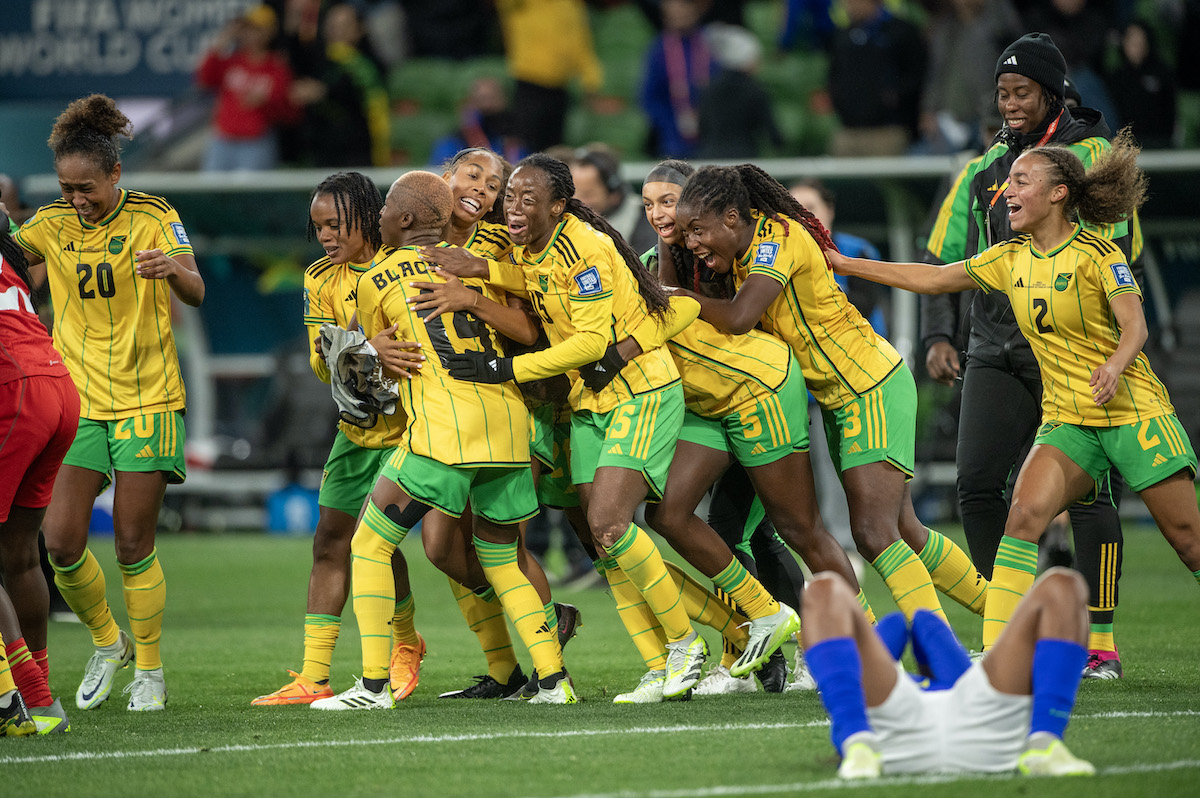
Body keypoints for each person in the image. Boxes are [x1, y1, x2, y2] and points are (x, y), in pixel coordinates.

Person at [424, 153, 807, 699]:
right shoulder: (535, 247)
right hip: (587, 401)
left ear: (558, 205)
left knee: (611, 524)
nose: (511, 206)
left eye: (525, 198)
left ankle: (694, 644)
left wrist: (503, 367)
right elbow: (538, 282)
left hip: (641, 393)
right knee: (607, 542)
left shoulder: (588, 247)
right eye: (510, 197)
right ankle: (696, 645)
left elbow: (587, 343)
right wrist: (484, 271)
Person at [828, 132, 1200, 650]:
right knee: (1021, 520)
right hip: (1069, 421)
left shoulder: (1097, 254)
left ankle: (1097, 644)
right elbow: (934, 279)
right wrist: (845, 264)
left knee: (1188, 543)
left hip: (1132, 413)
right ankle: (998, 655)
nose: (1006, 193)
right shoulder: (1009, 256)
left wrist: (1116, 364)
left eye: (1021, 181)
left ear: (1058, 194)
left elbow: (1135, 326)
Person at [673, 164, 987, 624]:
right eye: (686, 234)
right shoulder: (742, 255)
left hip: (867, 386)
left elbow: (739, 317)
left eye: (698, 230)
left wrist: (672, 297)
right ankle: (1008, 617)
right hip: (842, 397)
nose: (693, 244)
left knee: (874, 533)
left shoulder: (776, 238)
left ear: (733, 218)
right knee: (904, 530)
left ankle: (938, 650)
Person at [312, 170, 575, 708]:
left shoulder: (374, 278)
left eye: (386, 207)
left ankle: (371, 686)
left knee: (367, 544)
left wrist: (368, 354)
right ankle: (553, 681)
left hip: (442, 430)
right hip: (506, 426)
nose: (379, 215)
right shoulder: (466, 269)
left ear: (403, 219)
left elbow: (379, 366)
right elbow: (527, 332)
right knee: (500, 556)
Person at [921, 33, 1134, 672]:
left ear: (1051, 91)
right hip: (995, 347)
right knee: (978, 485)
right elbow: (943, 255)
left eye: (1021, 92)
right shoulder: (985, 168)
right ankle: (1009, 626)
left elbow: (1120, 253)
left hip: (1069, 350)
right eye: (1002, 94)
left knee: (1090, 492)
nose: (1010, 104)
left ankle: (1099, 644)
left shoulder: (1094, 158)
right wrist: (937, 334)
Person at [13, 94, 205, 711]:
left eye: (87, 187)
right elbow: (13, 266)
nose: (77, 199)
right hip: (79, 401)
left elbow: (197, 291)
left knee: (130, 542)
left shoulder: (154, 217)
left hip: (149, 398)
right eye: (67, 187)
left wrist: (171, 268)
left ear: (115, 175)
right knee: (61, 543)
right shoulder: (48, 224)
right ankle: (107, 639)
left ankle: (149, 671)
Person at [251, 172, 427, 707]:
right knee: (330, 541)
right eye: (318, 227)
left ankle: (405, 645)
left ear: (369, 216)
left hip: (413, 426)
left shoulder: (402, 267)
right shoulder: (319, 279)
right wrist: (362, 347)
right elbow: (318, 363)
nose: (326, 236)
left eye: (336, 224)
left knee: (380, 541)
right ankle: (313, 676)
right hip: (357, 429)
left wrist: (360, 349)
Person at [802, 568, 1095, 779]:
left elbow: (903, 628)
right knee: (823, 588)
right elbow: (926, 626)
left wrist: (891, 644)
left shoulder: (901, 682)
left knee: (1063, 583)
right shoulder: (950, 679)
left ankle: (1045, 744)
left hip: (924, 724)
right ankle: (858, 741)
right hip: (961, 727)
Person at [0, 209, 75, 735]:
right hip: (57, 387)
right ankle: (43, 704)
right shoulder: (10, 262)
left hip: (15, 391)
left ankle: (13, 701)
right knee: (20, 555)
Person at [287, 3, 392, 168]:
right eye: (332, 26)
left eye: (344, 26)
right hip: (317, 149)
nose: (337, 32)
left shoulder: (366, 65)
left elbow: (364, 99)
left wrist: (324, 91)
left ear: (359, 29)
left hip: (355, 152)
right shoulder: (315, 57)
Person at [196, 4, 298, 171]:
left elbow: (287, 111)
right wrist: (223, 41)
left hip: (256, 141)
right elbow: (204, 79)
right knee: (211, 193)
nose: (252, 34)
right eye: (248, 29)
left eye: (258, 29)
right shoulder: (231, 61)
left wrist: (265, 101)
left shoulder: (277, 67)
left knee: (250, 195)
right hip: (223, 138)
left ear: (270, 32)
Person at [495, 0, 604, 153]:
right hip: (529, 83)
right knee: (525, 146)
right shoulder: (523, 4)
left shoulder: (571, 5)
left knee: (553, 150)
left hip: (560, 86)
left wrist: (590, 79)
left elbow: (581, 43)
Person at [825, 0, 925, 156]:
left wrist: (894, 98)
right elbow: (834, 75)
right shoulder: (843, 35)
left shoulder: (902, 31)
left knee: (887, 180)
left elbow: (917, 75)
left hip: (888, 131)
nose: (847, 6)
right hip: (849, 131)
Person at [640, 0, 716, 159]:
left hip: (711, 136)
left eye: (685, 11)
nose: (680, 17)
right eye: (674, 13)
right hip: (671, 140)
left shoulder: (709, 44)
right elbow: (649, 97)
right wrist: (668, 124)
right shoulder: (659, 50)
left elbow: (721, 87)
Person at [569, 145, 657, 254]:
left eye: (588, 194)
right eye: (572, 193)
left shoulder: (644, 221)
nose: (576, 201)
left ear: (613, 193)